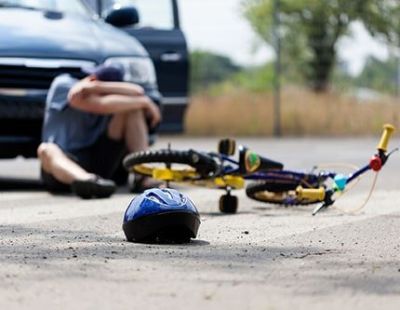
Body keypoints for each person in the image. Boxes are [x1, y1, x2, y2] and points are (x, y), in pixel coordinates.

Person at [37, 64, 161, 199]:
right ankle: (88, 182)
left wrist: (97, 87)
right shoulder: (64, 85)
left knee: (132, 109)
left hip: (98, 163)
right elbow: (88, 101)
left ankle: (142, 176)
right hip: (62, 167)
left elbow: (138, 92)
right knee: (46, 149)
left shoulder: (106, 96)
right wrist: (144, 102)